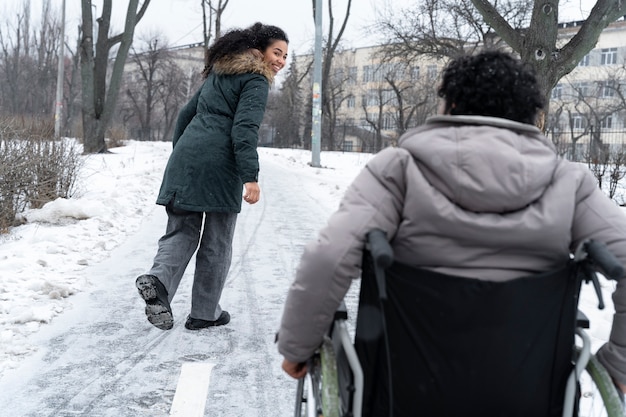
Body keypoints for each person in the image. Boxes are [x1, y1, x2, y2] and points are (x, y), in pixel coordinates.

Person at [277, 51, 626, 395]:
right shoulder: (569, 182)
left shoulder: (398, 169)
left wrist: (297, 346)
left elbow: (329, 257)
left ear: (450, 106)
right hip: (527, 392)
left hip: (402, 389)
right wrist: (620, 364)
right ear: (530, 115)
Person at [136, 23, 288, 331]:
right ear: (258, 51)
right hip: (221, 164)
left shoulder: (217, 74)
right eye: (277, 52)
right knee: (217, 241)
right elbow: (244, 129)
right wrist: (250, 176)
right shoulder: (256, 80)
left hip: (186, 158)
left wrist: (183, 156)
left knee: (180, 231)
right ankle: (205, 312)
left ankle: (159, 280)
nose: (281, 61)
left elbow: (183, 116)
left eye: (285, 56)